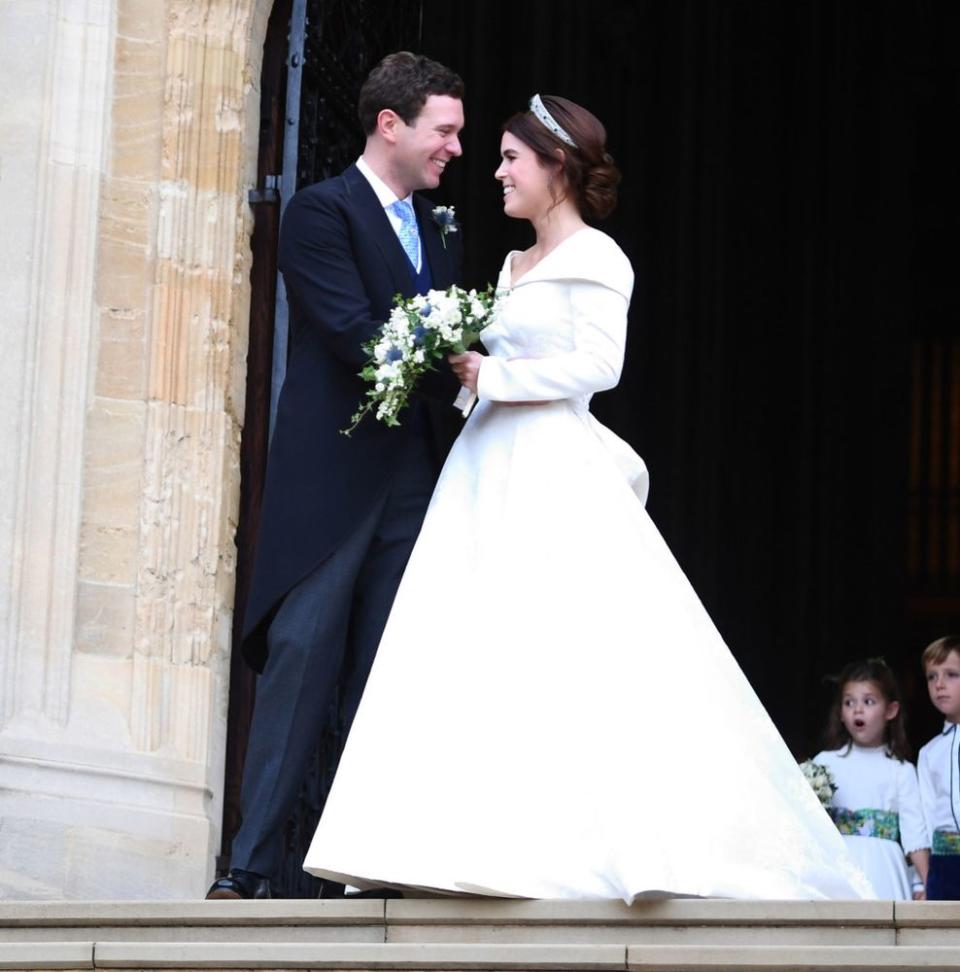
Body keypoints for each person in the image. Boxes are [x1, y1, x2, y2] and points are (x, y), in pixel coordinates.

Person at [301, 94, 872, 901]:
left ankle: (575, 843)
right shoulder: (508, 266)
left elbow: (601, 366)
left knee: (562, 641)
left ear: (556, 166)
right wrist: (466, 376)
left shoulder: (600, 257)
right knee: (472, 640)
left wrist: (497, 376)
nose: (495, 171)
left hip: (551, 465)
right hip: (486, 463)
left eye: (509, 157)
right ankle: (441, 843)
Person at [206, 52, 465, 899]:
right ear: (390, 125)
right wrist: (465, 366)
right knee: (302, 662)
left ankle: (365, 863)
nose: (455, 148)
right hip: (331, 486)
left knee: (390, 674)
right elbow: (355, 333)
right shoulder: (320, 213)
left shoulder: (445, 229)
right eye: (446, 130)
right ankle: (248, 866)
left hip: (414, 482)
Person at [812, 659, 929, 899]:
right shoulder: (825, 762)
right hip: (839, 866)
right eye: (849, 702)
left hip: (884, 869)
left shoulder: (901, 770)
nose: (857, 709)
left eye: (868, 701)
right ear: (841, 713)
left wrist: (925, 883)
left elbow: (914, 831)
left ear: (890, 710)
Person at [918, 635, 960, 900]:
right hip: (945, 865)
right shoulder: (929, 752)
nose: (939, 684)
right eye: (932, 677)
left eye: (951, 674)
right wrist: (918, 880)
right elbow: (925, 815)